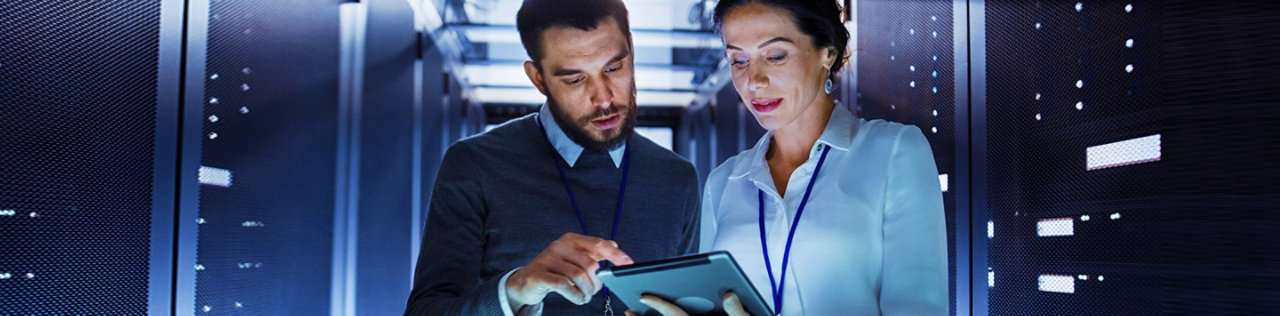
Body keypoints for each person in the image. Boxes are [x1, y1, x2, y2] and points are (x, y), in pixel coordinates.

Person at [631, 0, 947, 315]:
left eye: (775, 55)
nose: (754, 80)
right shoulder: (723, 182)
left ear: (829, 52)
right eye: (738, 59)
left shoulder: (893, 152)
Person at [404, 0, 702, 315]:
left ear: (631, 51)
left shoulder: (676, 178)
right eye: (575, 79)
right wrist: (515, 290)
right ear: (538, 79)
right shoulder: (474, 165)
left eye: (614, 68)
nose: (603, 98)